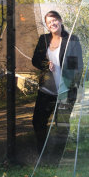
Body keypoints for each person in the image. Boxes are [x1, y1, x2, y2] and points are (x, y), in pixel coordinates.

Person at [32, 11, 83, 156]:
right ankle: (42, 152)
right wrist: (45, 64)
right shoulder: (43, 40)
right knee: (37, 121)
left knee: (61, 124)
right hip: (46, 90)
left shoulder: (71, 39)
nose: (52, 24)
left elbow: (77, 65)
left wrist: (73, 86)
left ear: (60, 20)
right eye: (49, 22)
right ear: (47, 26)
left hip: (65, 90)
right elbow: (35, 60)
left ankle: (58, 156)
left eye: (54, 20)